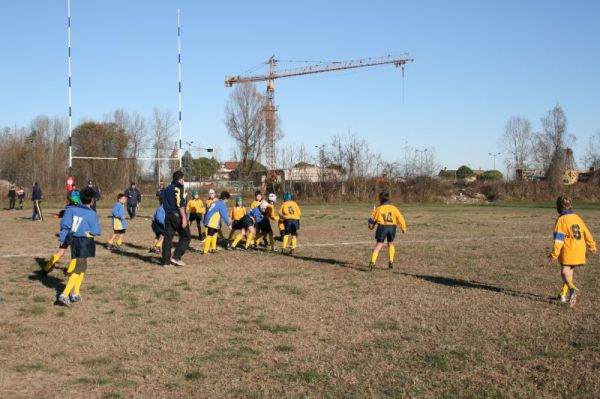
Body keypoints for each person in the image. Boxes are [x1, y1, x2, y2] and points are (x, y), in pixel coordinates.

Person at [55, 187, 101, 306]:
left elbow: (65, 225)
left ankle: (75, 292)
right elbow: (96, 230)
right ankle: (64, 294)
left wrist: (62, 239)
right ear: (92, 200)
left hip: (73, 240)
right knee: (79, 268)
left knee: (82, 267)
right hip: (84, 241)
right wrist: (91, 233)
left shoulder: (71, 210)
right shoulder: (91, 213)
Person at [549, 196, 596, 307]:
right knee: (570, 272)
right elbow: (586, 232)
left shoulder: (561, 220)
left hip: (569, 250)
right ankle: (562, 295)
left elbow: (559, 239)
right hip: (580, 249)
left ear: (558, 207)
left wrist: (554, 254)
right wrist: (592, 245)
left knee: (564, 272)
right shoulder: (577, 217)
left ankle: (572, 289)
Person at [43, 191, 81, 275]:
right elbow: (65, 223)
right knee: (74, 253)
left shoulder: (70, 208)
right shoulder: (72, 209)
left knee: (62, 252)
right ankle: (68, 271)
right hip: (70, 233)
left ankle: (47, 268)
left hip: (68, 233)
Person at [368, 192, 407, 271]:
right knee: (390, 243)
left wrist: (370, 226)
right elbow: (400, 218)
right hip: (392, 227)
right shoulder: (394, 208)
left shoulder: (378, 209)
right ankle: (391, 261)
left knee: (379, 245)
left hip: (382, 227)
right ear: (388, 198)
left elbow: (371, 221)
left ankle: (372, 262)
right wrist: (403, 228)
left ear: (380, 199)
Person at [161, 170, 191, 267]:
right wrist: (184, 218)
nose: (184, 180)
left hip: (168, 215)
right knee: (186, 236)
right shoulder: (179, 188)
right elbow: (180, 204)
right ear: (180, 179)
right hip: (177, 215)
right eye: (183, 178)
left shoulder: (167, 188)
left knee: (168, 239)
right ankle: (176, 257)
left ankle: (166, 262)